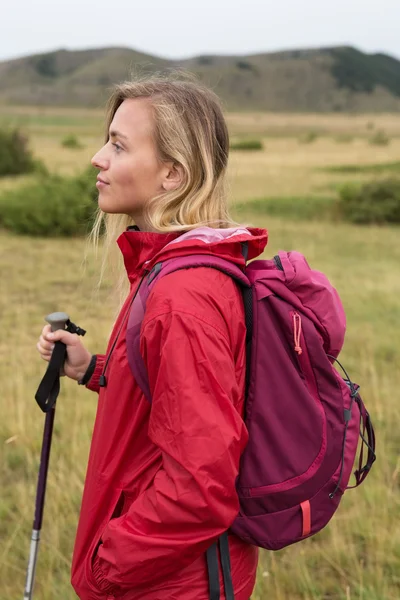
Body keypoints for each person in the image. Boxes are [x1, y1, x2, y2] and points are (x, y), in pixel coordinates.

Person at [36, 76, 268, 600]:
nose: (98, 158)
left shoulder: (181, 295)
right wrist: (93, 369)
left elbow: (202, 487)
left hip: (169, 584)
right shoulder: (170, 271)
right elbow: (172, 394)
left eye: (118, 145)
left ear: (172, 174)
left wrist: (107, 567)